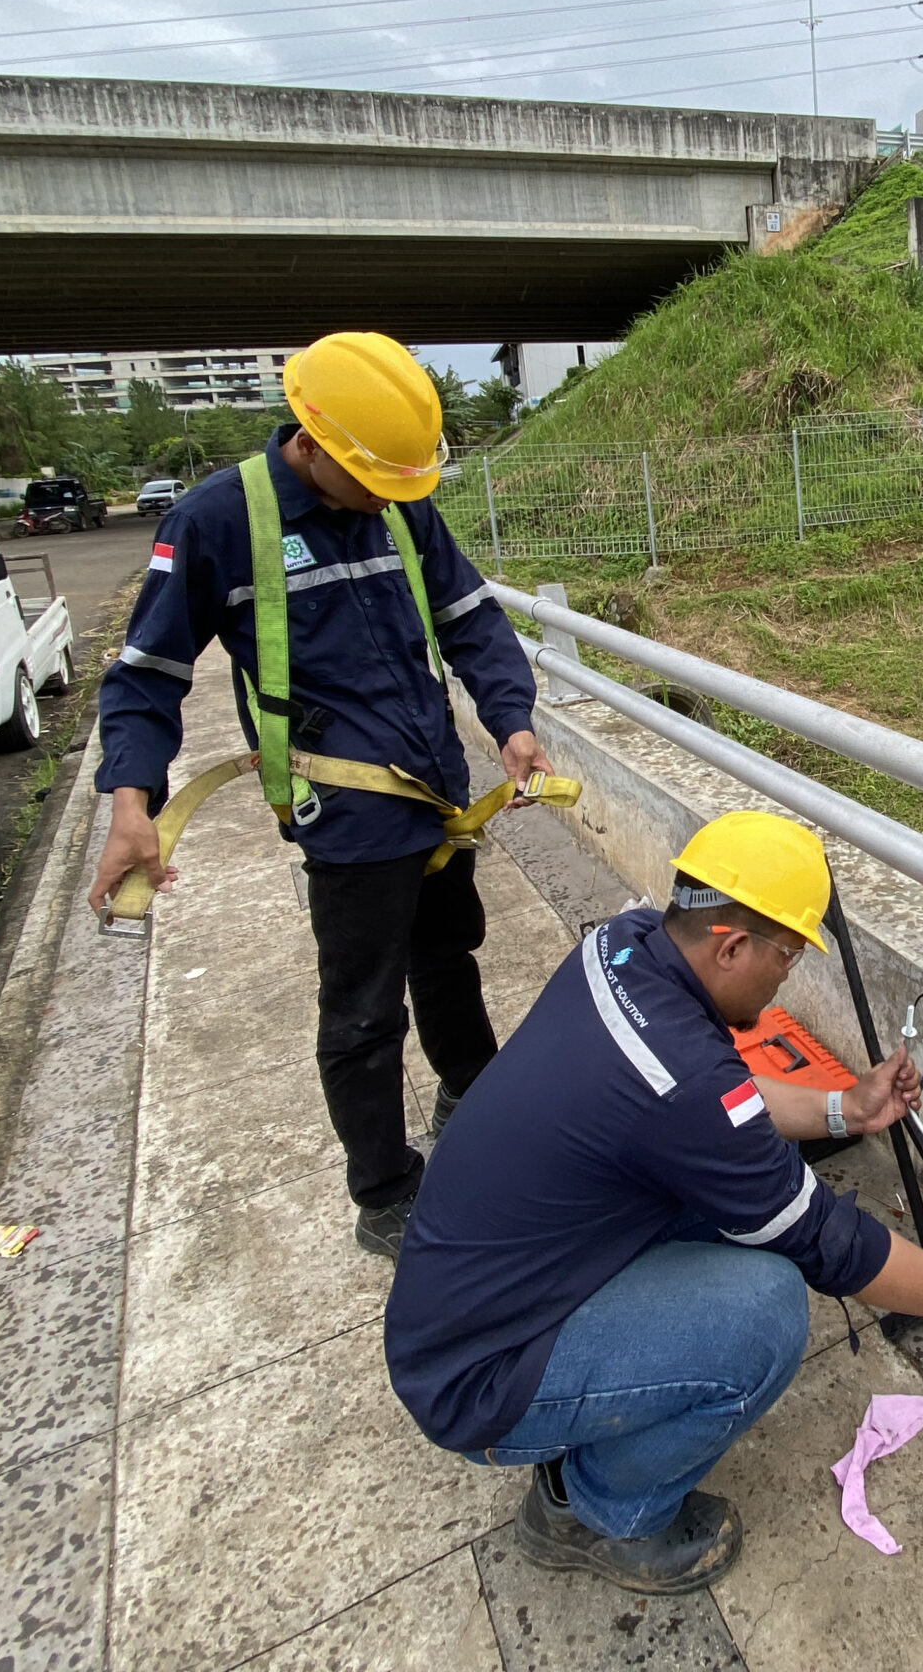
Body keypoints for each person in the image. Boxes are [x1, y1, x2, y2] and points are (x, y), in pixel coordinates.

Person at [385, 810, 923, 1595]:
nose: (787, 977)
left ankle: (591, 1429)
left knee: (744, 1209)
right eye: (787, 956)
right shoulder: (681, 1080)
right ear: (731, 947)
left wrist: (844, 1109)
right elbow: (824, 1238)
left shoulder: (624, 944)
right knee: (765, 1312)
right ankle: (593, 1509)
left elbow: (713, 1101)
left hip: (470, 1300)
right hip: (475, 1377)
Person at [87, 331, 552, 1258]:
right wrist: (131, 803)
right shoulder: (218, 522)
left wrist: (511, 719)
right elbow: (146, 676)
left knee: (449, 954)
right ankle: (384, 1192)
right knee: (363, 1010)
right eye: (371, 480)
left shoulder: (398, 502)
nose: (387, 499)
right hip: (346, 816)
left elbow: (468, 617)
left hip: (434, 790)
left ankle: (472, 1092)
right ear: (310, 442)